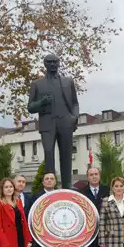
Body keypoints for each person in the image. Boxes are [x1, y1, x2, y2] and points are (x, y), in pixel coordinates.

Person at [27, 53, 79, 189]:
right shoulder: (37, 84)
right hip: (47, 124)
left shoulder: (68, 81)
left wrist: (74, 117)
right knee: (49, 153)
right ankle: (50, 187)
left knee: (66, 154)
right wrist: (42, 102)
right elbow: (30, 107)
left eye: (55, 62)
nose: (53, 64)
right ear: (45, 64)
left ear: (59, 63)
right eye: (49, 62)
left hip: (66, 122)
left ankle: (67, 185)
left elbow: (75, 103)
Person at [79, 166, 111, 247]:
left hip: (106, 232)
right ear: (87, 177)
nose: (94, 176)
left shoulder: (107, 190)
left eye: (96, 174)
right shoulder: (81, 192)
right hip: (89, 233)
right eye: (91, 174)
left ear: (100, 175)